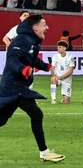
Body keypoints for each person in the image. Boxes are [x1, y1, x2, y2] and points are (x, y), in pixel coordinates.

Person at [0, 14, 65, 162]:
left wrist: (46, 66)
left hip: (18, 88)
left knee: (1, 121)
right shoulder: (23, 39)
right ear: (35, 27)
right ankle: (44, 152)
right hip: (13, 88)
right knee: (37, 114)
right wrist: (22, 69)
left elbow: (32, 59)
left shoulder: (32, 41)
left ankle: (44, 152)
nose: (47, 28)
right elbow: (12, 59)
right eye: (44, 24)